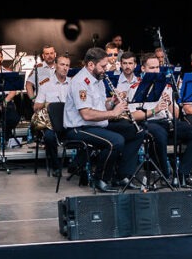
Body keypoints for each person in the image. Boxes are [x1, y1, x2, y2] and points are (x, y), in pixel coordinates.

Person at [63, 47, 147, 192]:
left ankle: (123, 175)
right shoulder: (80, 82)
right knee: (115, 141)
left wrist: (112, 102)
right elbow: (87, 114)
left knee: (136, 132)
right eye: (102, 66)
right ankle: (100, 179)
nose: (105, 69)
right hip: (79, 128)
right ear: (90, 65)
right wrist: (115, 113)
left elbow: (102, 106)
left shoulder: (98, 79)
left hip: (96, 124)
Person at [132, 52, 192, 186]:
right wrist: (156, 109)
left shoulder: (166, 86)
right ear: (143, 69)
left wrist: (169, 103)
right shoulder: (136, 88)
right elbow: (133, 116)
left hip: (167, 121)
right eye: (151, 68)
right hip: (149, 121)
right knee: (160, 135)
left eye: (157, 67)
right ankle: (164, 175)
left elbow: (176, 115)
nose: (155, 71)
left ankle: (182, 174)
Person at [33, 53, 72, 177]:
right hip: (52, 124)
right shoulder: (45, 84)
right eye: (62, 64)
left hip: (70, 122)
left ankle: (77, 165)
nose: (65, 68)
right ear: (55, 65)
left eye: (67, 65)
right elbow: (36, 106)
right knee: (49, 137)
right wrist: (48, 104)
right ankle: (56, 166)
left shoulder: (74, 83)